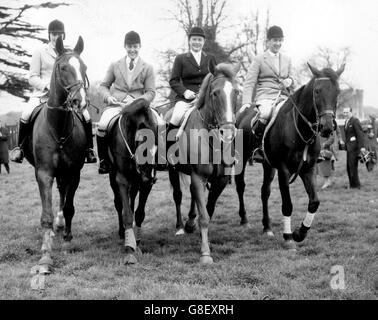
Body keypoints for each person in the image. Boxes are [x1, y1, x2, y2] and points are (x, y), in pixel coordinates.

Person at [10, 19, 96, 164]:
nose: (56, 37)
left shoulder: (69, 53)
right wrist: (46, 86)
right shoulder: (40, 51)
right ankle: (20, 149)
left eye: (59, 34)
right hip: (42, 95)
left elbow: (75, 74)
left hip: (66, 97)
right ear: (49, 35)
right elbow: (32, 77)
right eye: (53, 34)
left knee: (86, 116)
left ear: (64, 35)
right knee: (26, 114)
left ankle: (89, 150)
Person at [96, 31, 156, 174]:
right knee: (103, 124)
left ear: (140, 46)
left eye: (135, 46)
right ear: (125, 46)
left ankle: (160, 161)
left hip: (139, 107)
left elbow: (151, 92)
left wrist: (140, 101)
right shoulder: (115, 65)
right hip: (118, 105)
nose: (132, 50)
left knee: (160, 124)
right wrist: (108, 97)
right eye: (129, 46)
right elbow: (103, 86)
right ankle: (104, 161)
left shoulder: (147, 67)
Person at [240, 25, 294, 162]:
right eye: (275, 40)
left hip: (283, 96)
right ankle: (259, 147)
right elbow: (249, 82)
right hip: (265, 96)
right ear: (268, 42)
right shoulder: (259, 59)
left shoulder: (287, 59)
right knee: (265, 113)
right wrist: (246, 102)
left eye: (280, 40)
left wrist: (289, 81)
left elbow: (292, 79)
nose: (278, 43)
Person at [167, 26, 217, 140]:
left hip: (206, 99)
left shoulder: (210, 58)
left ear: (204, 42)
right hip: (187, 99)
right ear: (189, 41)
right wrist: (185, 92)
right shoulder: (181, 58)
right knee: (176, 115)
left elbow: (216, 79)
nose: (197, 42)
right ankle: (168, 148)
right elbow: (173, 80)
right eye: (194, 39)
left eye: (199, 40)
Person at [342, 107, 367, 189]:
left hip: (355, 148)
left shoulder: (355, 121)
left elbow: (360, 134)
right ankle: (352, 184)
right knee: (349, 167)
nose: (345, 114)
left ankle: (356, 185)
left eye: (347, 112)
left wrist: (362, 147)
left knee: (353, 166)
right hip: (349, 148)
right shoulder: (346, 121)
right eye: (344, 112)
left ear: (351, 112)